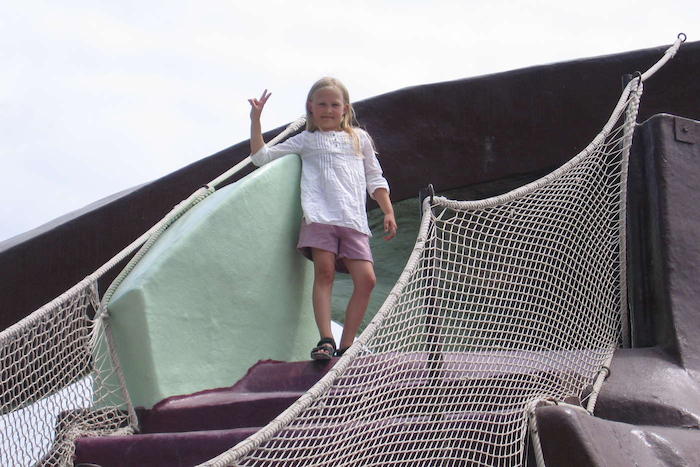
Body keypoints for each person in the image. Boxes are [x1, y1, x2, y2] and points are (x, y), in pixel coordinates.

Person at [248, 77, 397, 360]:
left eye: (334, 105)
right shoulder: (307, 140)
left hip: (353, 220)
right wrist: (256, 120)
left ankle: (347, 345)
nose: (328, 110)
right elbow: (261, 157)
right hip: (319, 217)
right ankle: (326, 339)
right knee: (325, 273)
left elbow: (374, 177)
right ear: (311, 107)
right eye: (322, 104)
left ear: (345, 109)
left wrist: (388, 210)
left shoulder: (359, 138)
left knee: (366, 280)